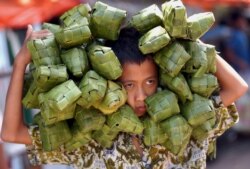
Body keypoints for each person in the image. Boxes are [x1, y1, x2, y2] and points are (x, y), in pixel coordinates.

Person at [1, 25, 248, 169]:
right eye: (128, 85)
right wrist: (21, 61)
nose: (140, 96)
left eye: (149, 82)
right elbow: (11, 134)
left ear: (160, 80)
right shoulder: (91, 140)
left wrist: (191, 41)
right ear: (111, 84)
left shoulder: (183, 127)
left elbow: (237, 88)